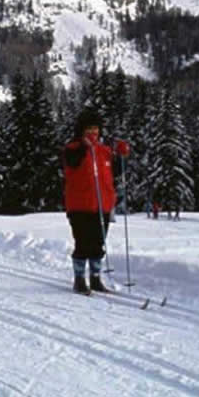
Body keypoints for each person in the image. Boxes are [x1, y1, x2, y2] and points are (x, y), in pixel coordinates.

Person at [60, 108, 129, 295]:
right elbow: (72, 163)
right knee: (83, 243)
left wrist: (121, 157)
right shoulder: (72, 149)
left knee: (98, 243)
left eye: (96, 129)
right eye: (89, 129)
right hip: (80, 205)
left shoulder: (104, 151)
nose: (93, 133)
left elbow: (117, 172)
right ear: (81, 130)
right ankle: (80, 279)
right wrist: (84, 146)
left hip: (103, 204)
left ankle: (96, 278)